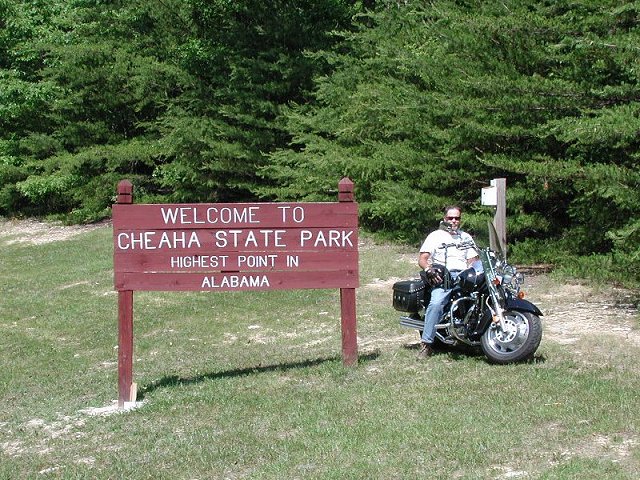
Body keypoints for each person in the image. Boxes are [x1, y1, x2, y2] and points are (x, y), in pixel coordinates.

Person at [417, 205, 479, 359]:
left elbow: (473, 259)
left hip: (464, 275)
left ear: (460, 220)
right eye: (450, 218)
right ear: (445, 218)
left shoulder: (465, 237)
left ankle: (475, 338)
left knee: (479, 299)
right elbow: (422, 259)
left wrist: (473, 268)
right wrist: (429, 270)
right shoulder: (435, 236)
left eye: (456, 218)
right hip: (443, 276)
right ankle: (426, 344)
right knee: (437, 303)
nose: (453, 221)